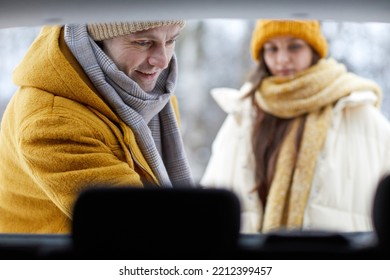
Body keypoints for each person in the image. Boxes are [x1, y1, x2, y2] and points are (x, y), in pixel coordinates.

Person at [0, 20, 194, 233]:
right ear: (98, 40)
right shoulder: (52, 122)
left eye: (171, 40)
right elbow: (140, 224)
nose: (163, 61)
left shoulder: (151, 98)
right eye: (143, 42)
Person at [201, 19, 390, 234]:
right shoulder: (242, 113)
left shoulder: (355, 110)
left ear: (313, 50)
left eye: (294, 46)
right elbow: (211, 202)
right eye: (272, 49)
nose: (282, 59)